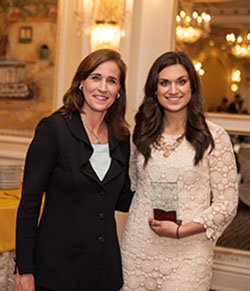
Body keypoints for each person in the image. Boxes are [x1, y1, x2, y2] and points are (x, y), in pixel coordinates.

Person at [14, 48, 134, 291]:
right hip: (56, 272)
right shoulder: (53, 130)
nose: (103, 87)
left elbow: (120, 199)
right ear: (81, 82)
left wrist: (167, 189)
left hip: (103, 271)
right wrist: (25, 270)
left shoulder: (121, 138)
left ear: (119, 91)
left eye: (112, 81)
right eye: (95, 78)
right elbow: (29, 204)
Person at [120, 51, 238, 291]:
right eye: (164, 82)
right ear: (154, 89)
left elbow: (227, 203)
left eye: (181, 81)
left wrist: (181, 230)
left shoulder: (214, 136)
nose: (173, 90)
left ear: (192, 87)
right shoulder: (140, 133)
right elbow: (133, 187)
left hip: (190, 249)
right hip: (139, 246)